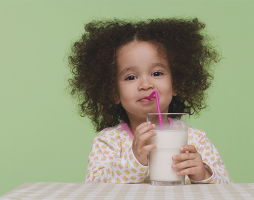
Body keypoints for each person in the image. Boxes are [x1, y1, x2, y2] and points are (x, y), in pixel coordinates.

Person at [67, 18, 232, 184]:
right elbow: (93, 187)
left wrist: (203, 174)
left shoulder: (194, 139)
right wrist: (134, 161)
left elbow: (227, 186)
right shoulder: (109, 142)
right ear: (113, 92)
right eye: (131, 77)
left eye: (157, 73)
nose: (146, 85)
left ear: (177, 84)